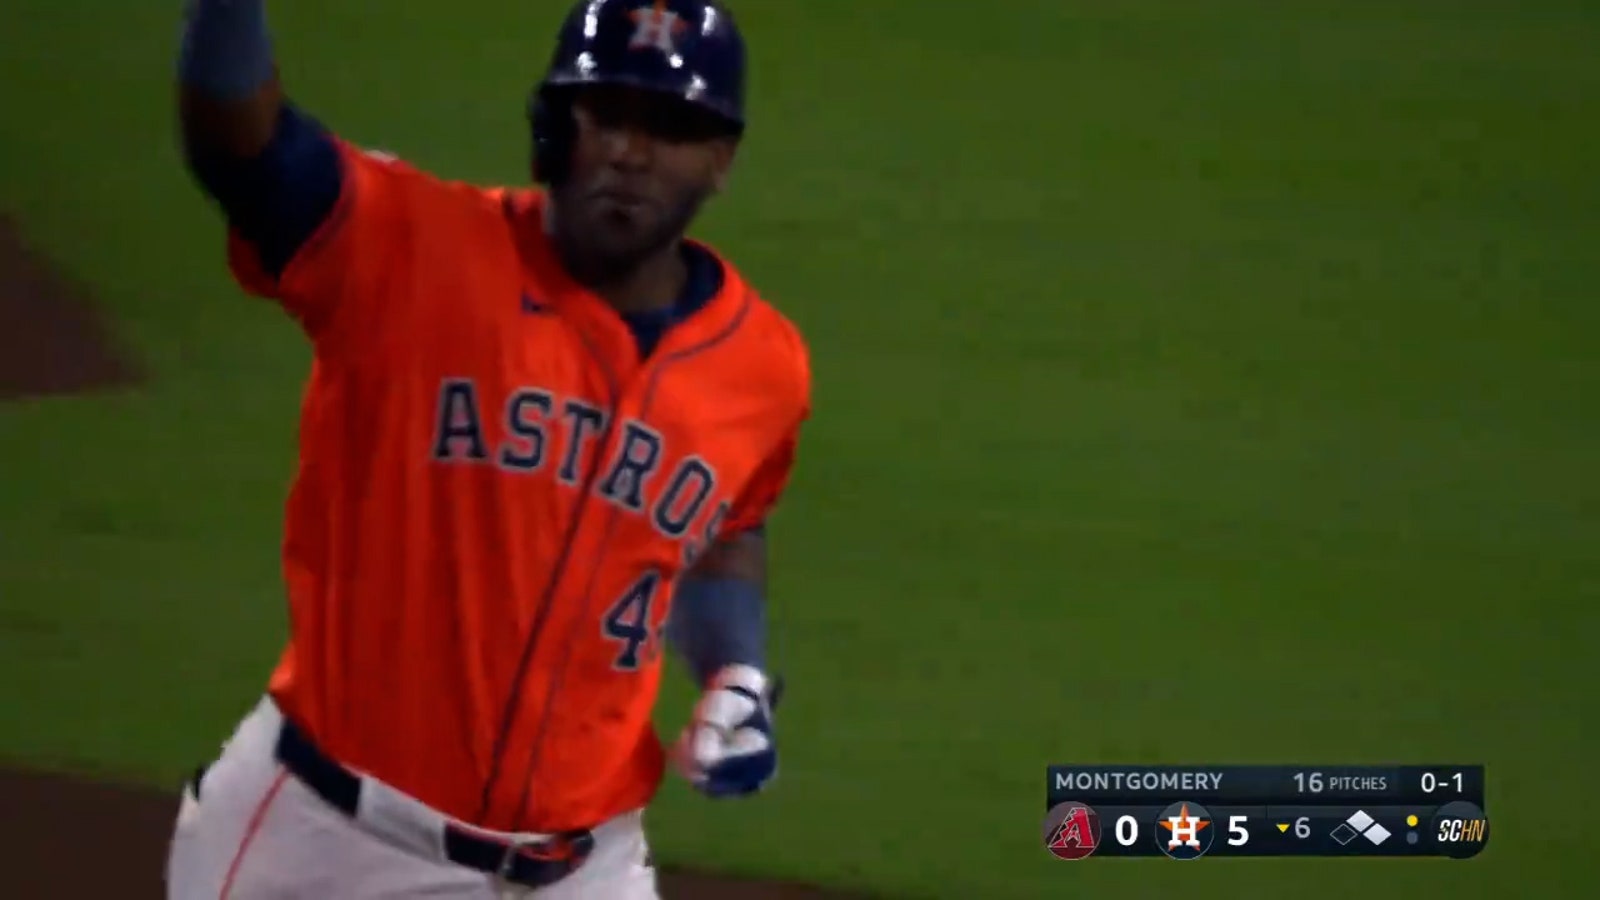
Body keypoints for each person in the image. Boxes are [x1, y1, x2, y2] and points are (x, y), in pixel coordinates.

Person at [165, 1, 810, 897]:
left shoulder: (762, 366)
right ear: (553, 125)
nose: (631, 150)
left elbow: (731, 520)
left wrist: (733, 669)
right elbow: (241, 148)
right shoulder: (403, 244)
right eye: (607, 114)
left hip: (588, 866)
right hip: (329, 845)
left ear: (722, 159)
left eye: (670, 126)